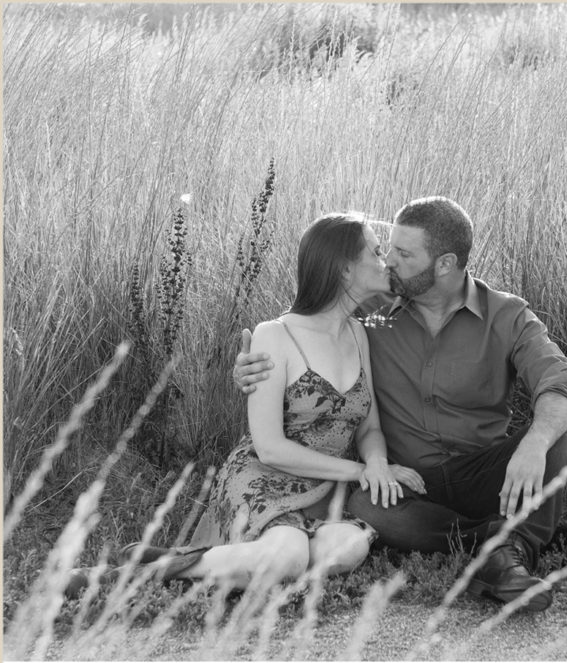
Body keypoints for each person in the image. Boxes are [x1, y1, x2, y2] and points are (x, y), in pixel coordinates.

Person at [234, 196, 567, 612]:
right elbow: (306, 326)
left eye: (403, 253)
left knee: (557, 426)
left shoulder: (506, 316)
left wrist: (533, 444)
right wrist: (254, 367)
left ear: (444, 264)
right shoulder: (370, 312)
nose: (389, 263)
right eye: (388, 249)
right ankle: (505, 546)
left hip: (482, 474)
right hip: (407, 482)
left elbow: (561, 385)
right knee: (363, 504)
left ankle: (508, 546)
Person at [65, 213, 424, 597]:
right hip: (263, 477)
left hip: (323, 489)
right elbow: (270, 448)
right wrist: (359, 471)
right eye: (376, 251)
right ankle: (124, 577)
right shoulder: (275, 336)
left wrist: (378, 464)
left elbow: (369, 427)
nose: (384, 259)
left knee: (348, 548)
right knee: (288, 558)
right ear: (345, 270)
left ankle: (186, 560)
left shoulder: (358, 334)